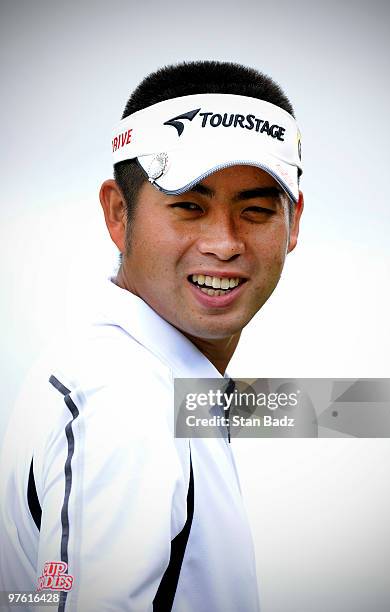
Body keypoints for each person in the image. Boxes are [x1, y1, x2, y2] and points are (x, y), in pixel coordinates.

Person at [0, 60, 303, 611]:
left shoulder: (140, 373)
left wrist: (387, 408)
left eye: (256, 210)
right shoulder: (126, 397)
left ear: (294, 223)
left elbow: (310, 408)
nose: (224, 243)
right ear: (119, 214)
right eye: (189, 206)